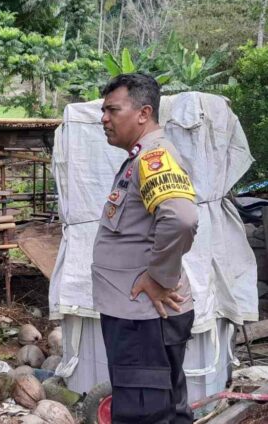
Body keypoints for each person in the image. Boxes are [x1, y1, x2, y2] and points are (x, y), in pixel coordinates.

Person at [94, 73, 198, 423]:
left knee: (145, 416)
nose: (104, 118)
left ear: (143, 113)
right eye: (103, 110)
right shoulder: (138, 158)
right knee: (166, 411)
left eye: (112, 110)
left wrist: (158, 277)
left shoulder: (154, 157)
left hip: (144, 319)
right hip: (141, 317)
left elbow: (181, 218)